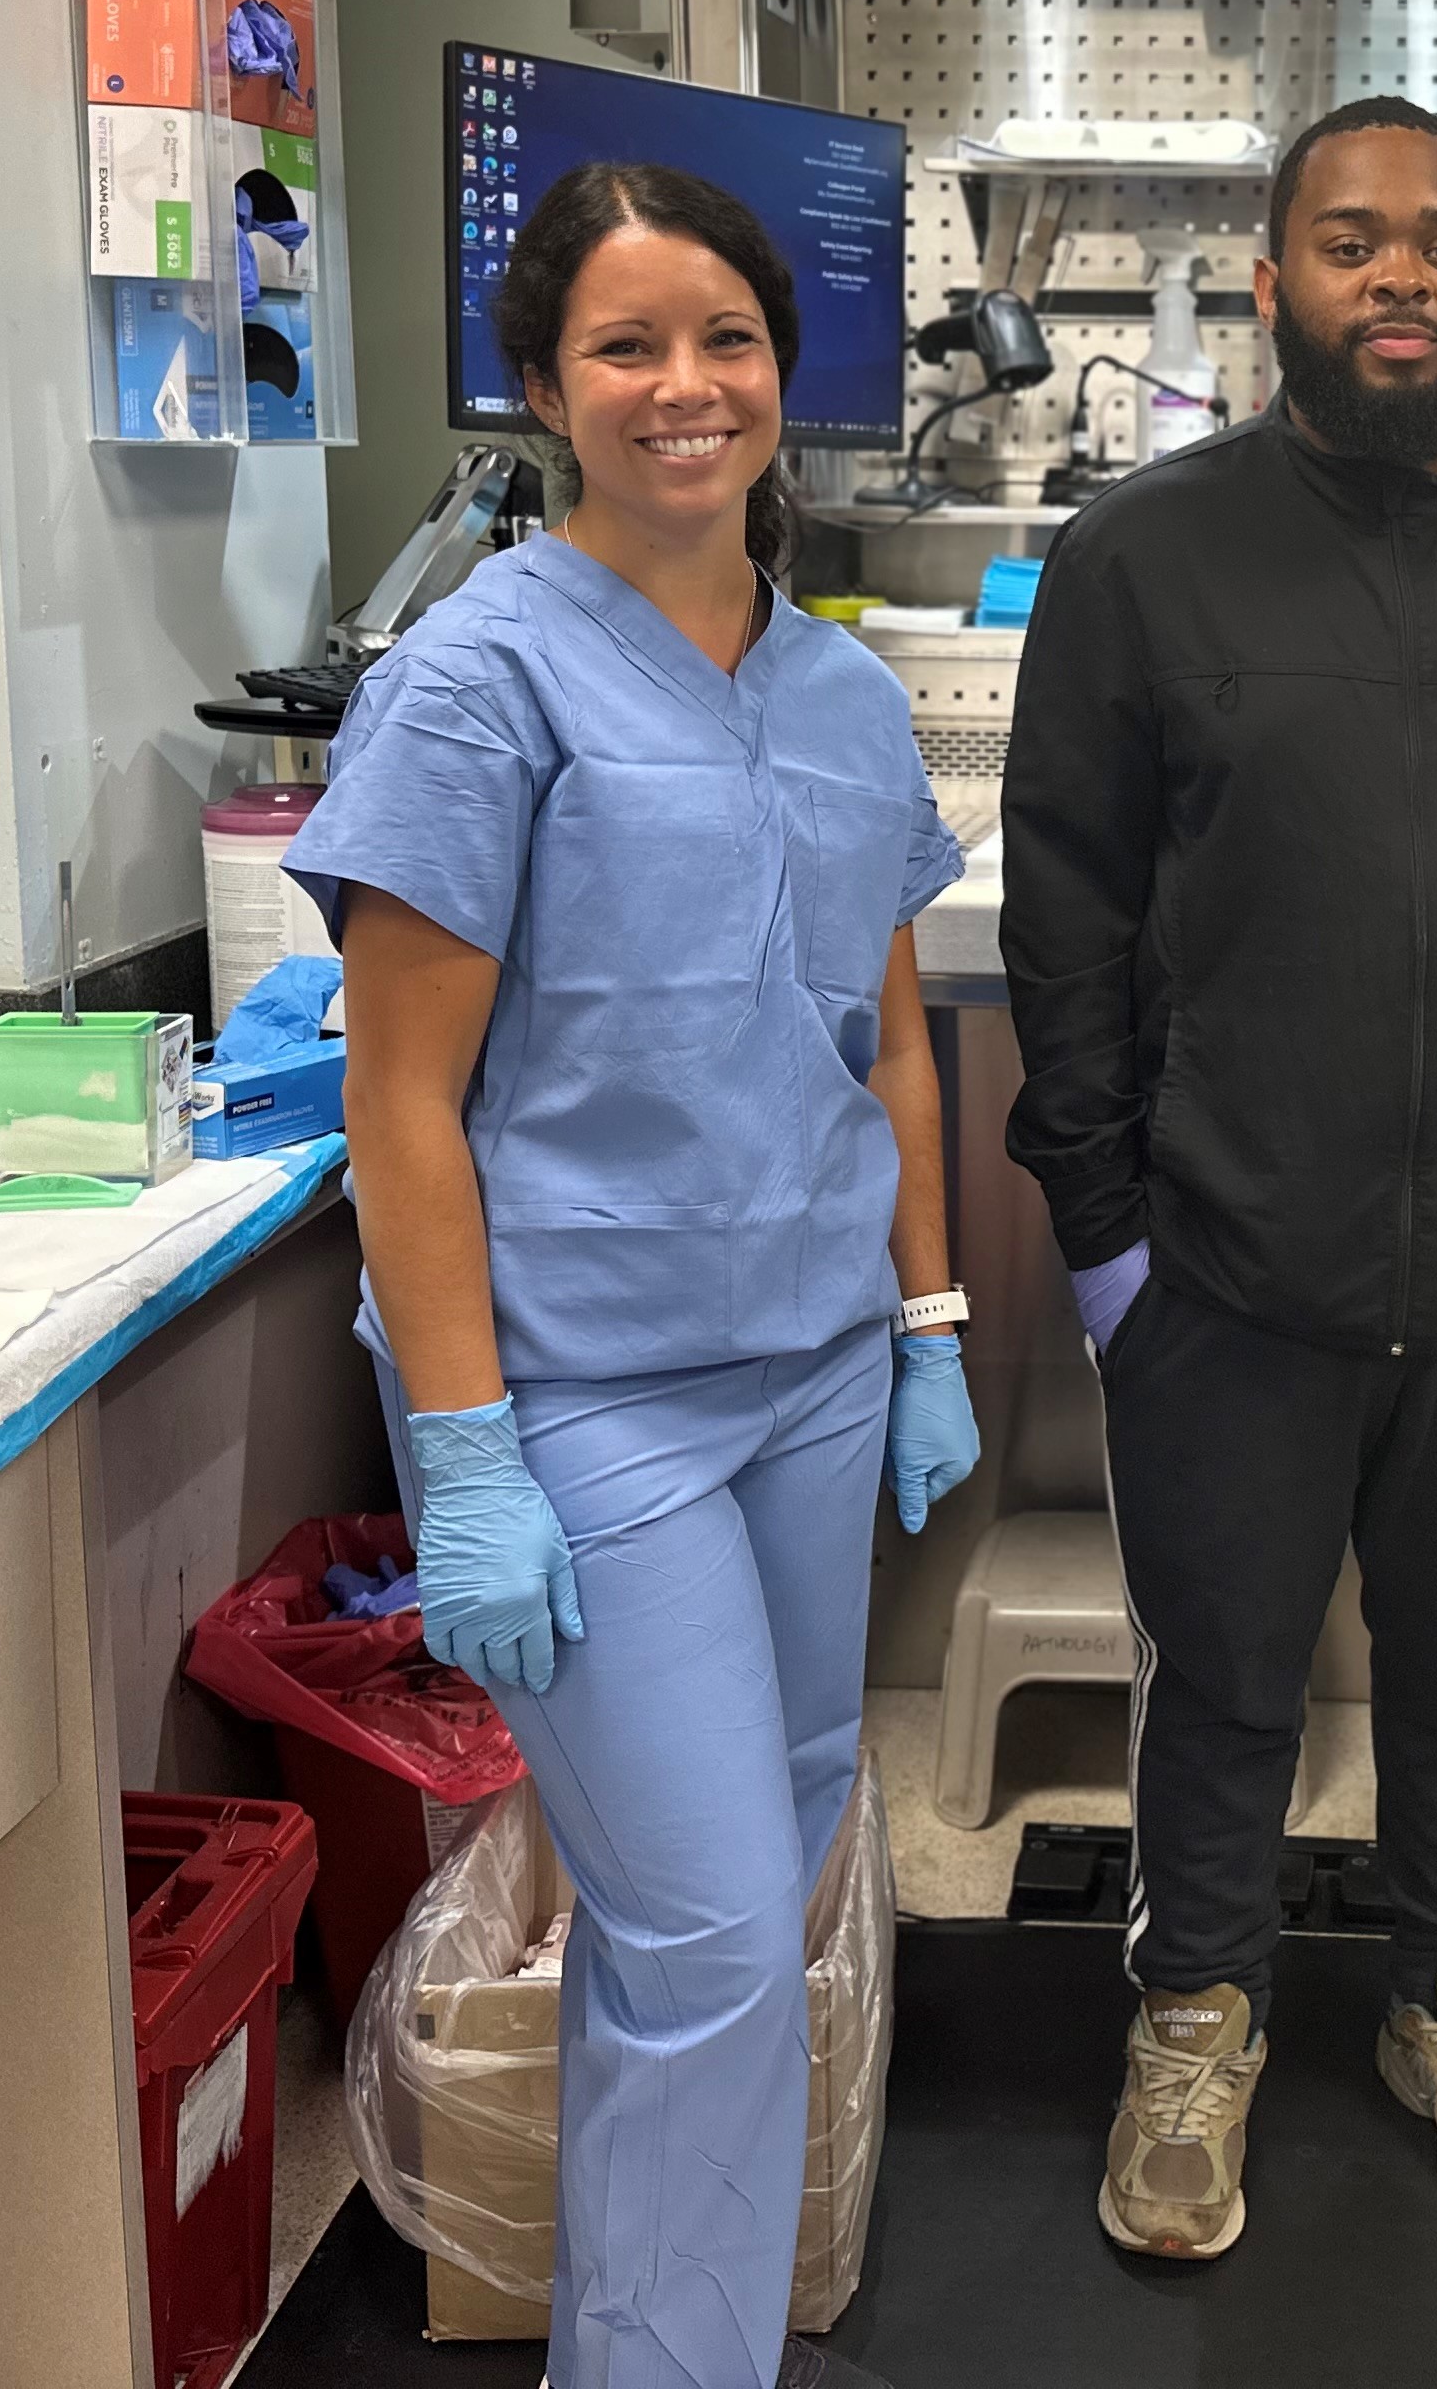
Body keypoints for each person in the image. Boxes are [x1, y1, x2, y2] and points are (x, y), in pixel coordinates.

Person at [287, 161, 983, 2389]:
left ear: (784, 369)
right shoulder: (480, 682)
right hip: (590, 1398)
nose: (686, 389)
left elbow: (886, 1036)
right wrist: (468, 1452)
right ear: (546, 387)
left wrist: (934, 1324)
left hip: (812, 1372)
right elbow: (400, 1104)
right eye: (626, 347)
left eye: (726, 342)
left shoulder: (843, 698)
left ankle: (657, 2342)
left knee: (728, 1922)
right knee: (697, 1936)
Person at [1001, 95, 1437, 2260]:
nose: (1401, 276)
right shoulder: (1141, 558)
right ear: (1275, 274)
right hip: (1228, 1250)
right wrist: (1108, 1230)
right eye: (1351, 241)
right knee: (1221, 1667)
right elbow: (1071, 919)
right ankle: (1195, 2013)